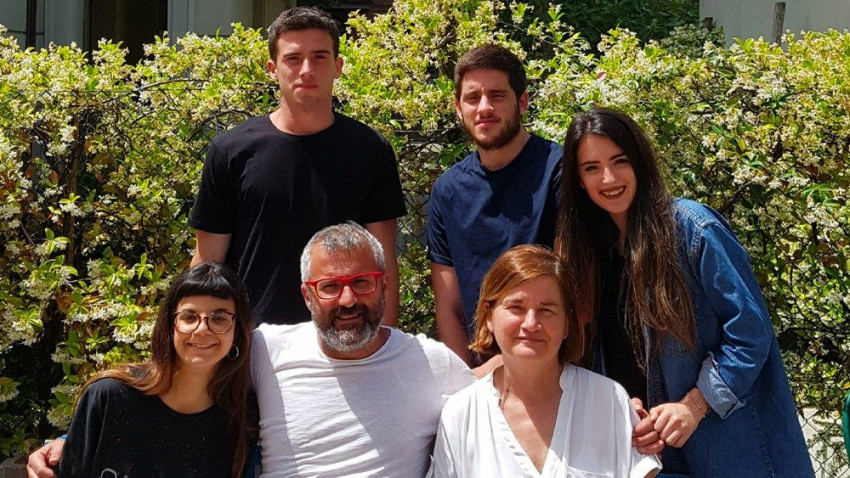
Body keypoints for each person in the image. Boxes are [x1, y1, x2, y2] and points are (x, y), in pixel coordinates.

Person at [555, 107, 814, 477]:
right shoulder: (593, 255)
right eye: (592, 167)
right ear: (578, 180)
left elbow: (751, 332)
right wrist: (628, 411)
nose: (608, 178)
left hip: (726, 452)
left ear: (639, 162)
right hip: (651, 460)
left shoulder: (692, 229)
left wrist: (695, 404)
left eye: (619, 161)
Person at [189, 7, 406, 326]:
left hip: (346, 336)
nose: (306, 70)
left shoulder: (371, 150)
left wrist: (384, 343)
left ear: (338, 67)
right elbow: (208, 265)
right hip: (254, 340)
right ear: (273, 69)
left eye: (319, 57)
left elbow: (383, 265)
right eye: (293, 58)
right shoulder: (231, 151)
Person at [251, 222, 474, 476]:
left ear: (385, 286)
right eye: (330, 286)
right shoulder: (266, 352)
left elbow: (490, 409)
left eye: (361, 283)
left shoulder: (432, 365)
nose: (348, 300)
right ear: (307, 296)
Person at [429, 245, 661, 477]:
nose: (531, 323)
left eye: (546, 310)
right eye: (516, 307)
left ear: (567, 324)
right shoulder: (461, 415)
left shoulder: (608, 400)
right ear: (489, 316)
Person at [53, 262, 254, 477]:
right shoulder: (110, 398)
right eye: (189, 317)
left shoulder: (242, 419)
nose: (202, 329)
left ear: (237, 332)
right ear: (170, 325)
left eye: (219, 319)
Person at [428, 44, 561, 365]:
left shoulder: (559, 170)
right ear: (458, 107)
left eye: (497, 95)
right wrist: (466, 380)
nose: (484, 108)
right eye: (473, 98)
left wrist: (505, 367)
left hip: (553, 364)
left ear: (522, 101)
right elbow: (449, 306)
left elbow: (573, 289)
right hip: (478, 375)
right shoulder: (447, 191)